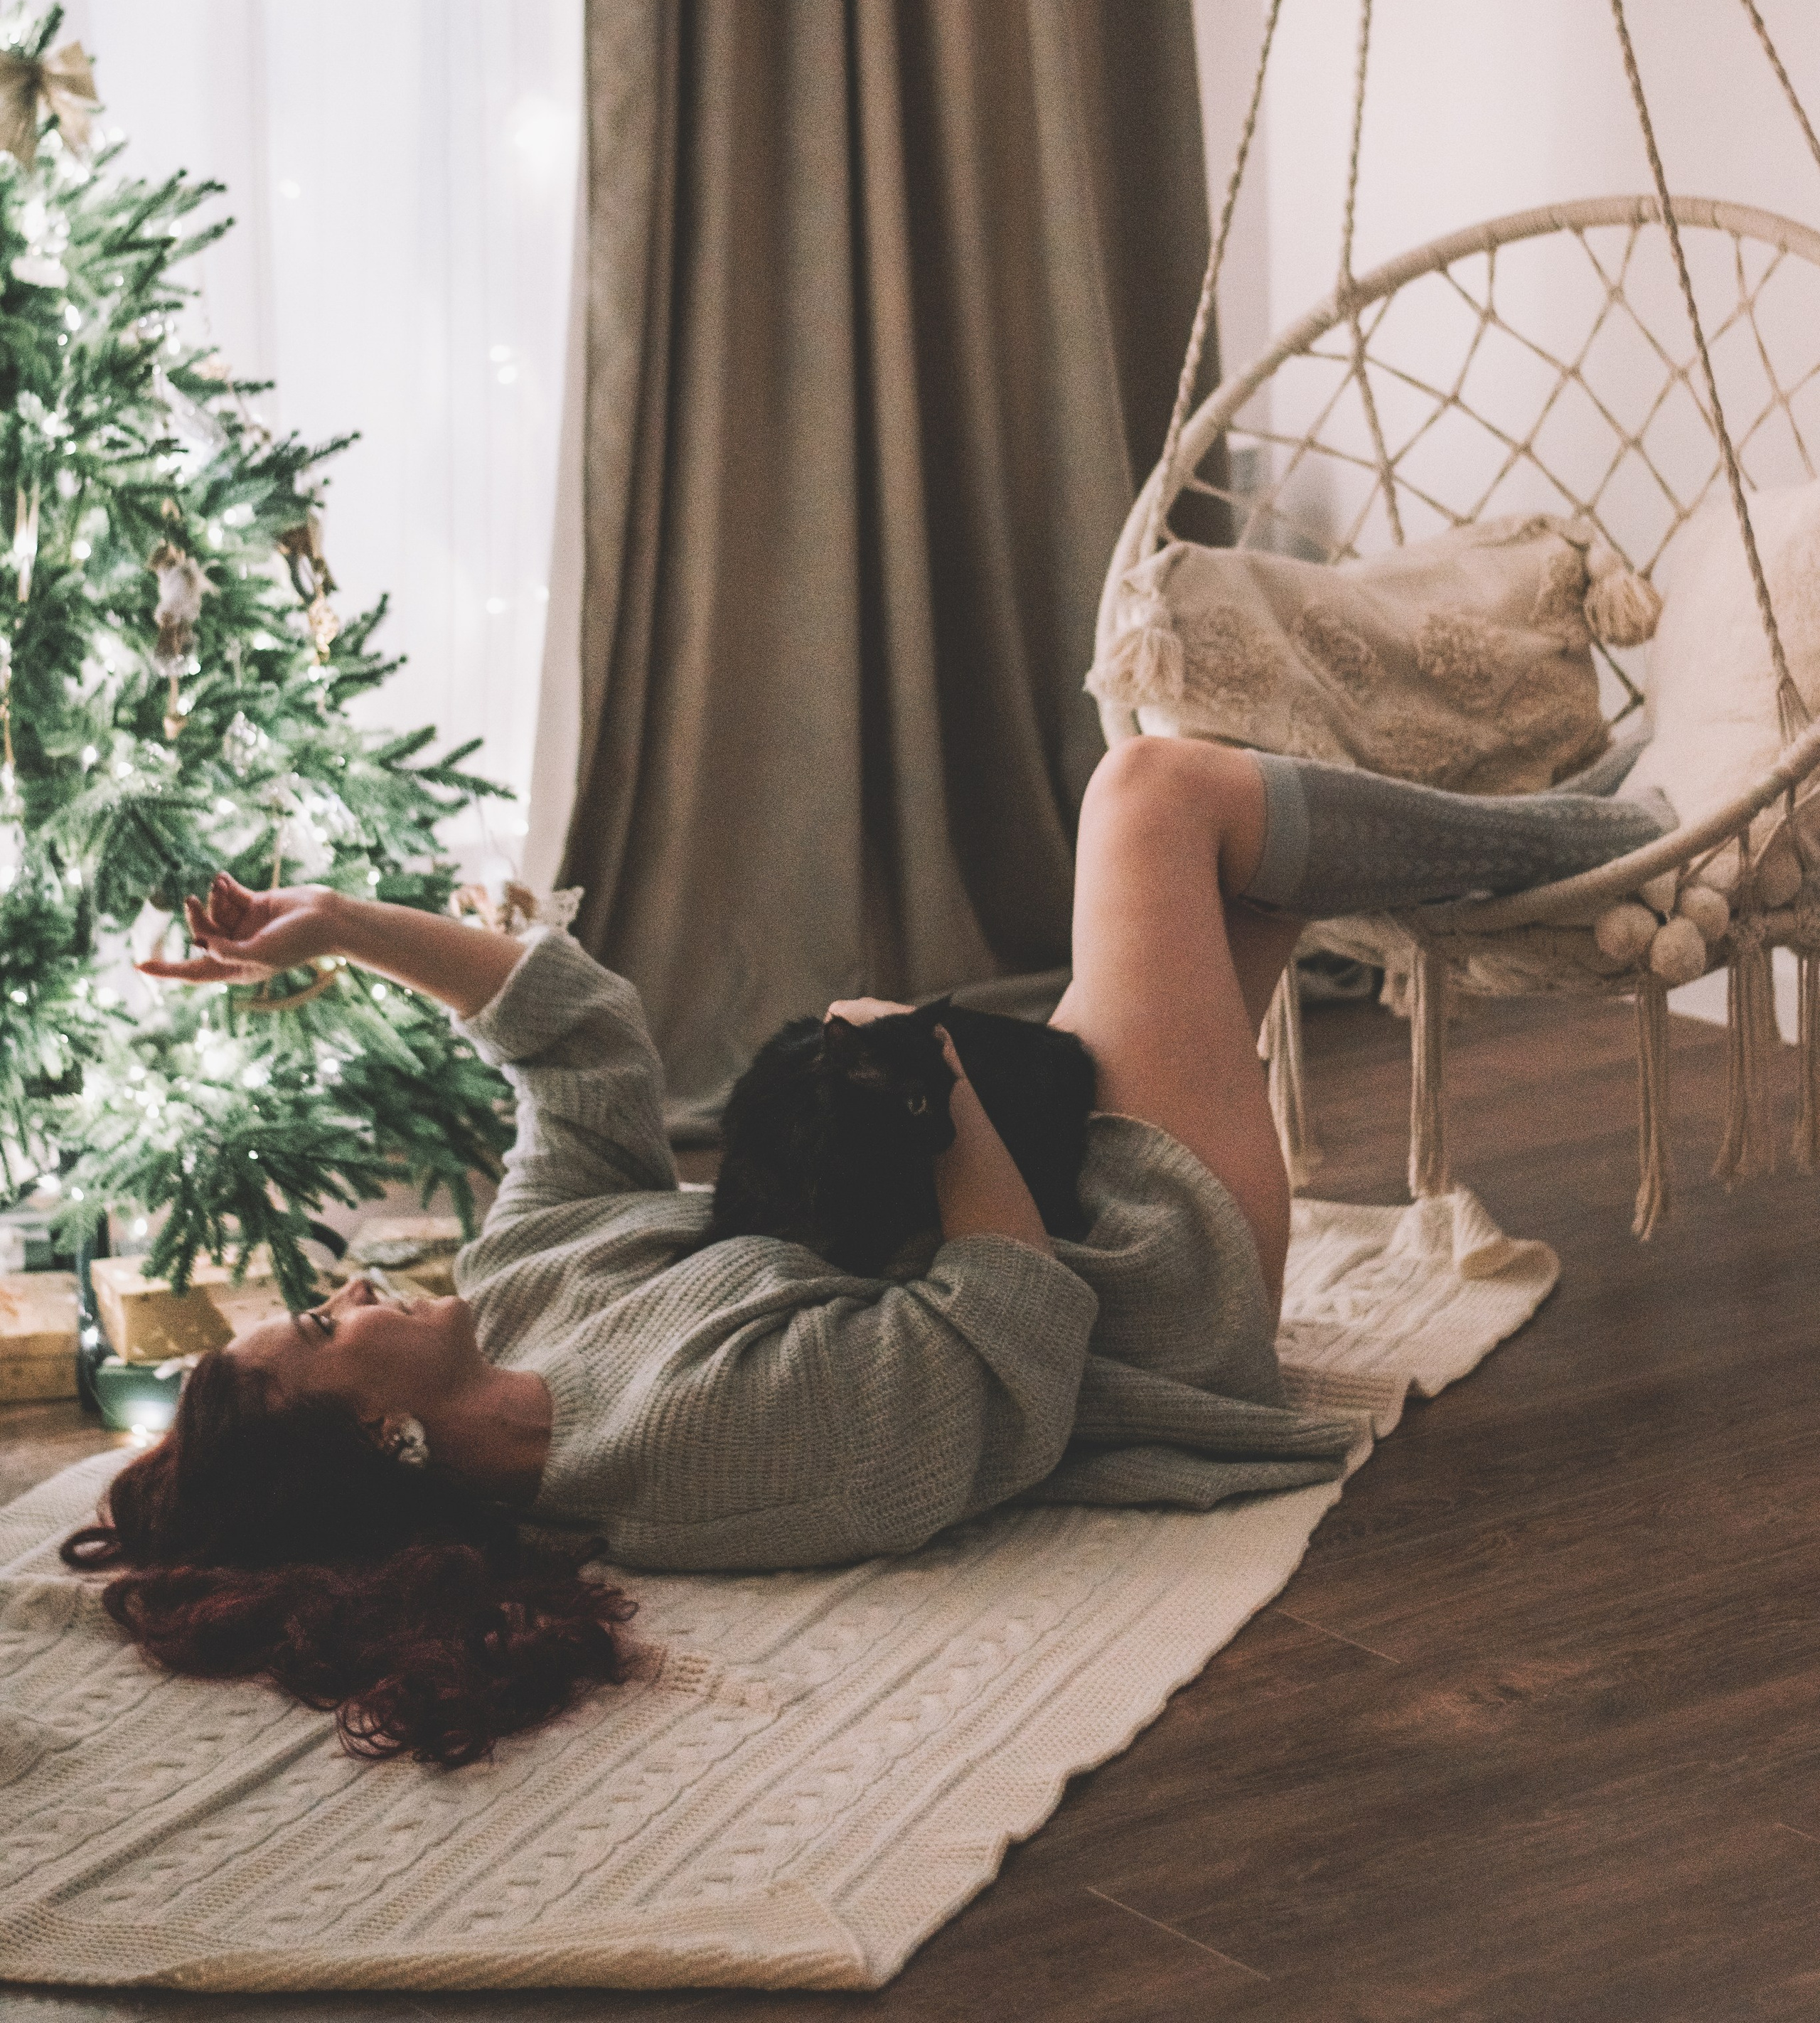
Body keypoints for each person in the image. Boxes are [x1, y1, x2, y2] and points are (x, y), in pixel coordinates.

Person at [63, 736, 1666, 1764]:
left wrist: (341, 924)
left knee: (1243, 867)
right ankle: (1625, 837)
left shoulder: (524, 1291)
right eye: (326, 1334)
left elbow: (577, 1039)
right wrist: (923, 1071)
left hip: (1035, 1172)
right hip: (1147, 1281)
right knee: (1153, 798)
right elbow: (1010, 1341)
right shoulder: (680, 1456)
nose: (347, 1289)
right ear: (381, 1435)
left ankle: (1551, 828)